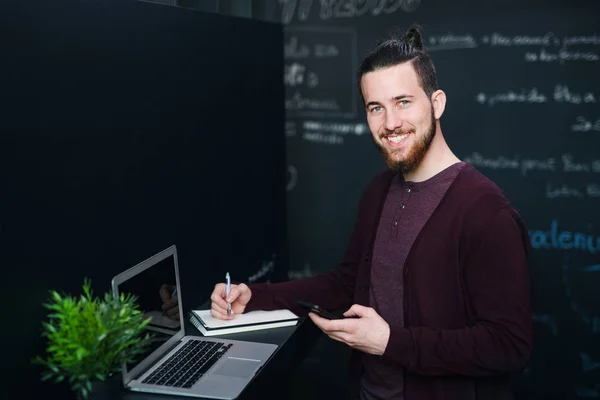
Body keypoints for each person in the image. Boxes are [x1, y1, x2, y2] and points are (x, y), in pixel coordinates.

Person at [210, 25, 532, 400]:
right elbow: (349, 284)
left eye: (403, 102)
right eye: (376, 108)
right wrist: (256, 296)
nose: (390, 123)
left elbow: (509, 346)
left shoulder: (487, 213)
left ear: (437, 102)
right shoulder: (379, 191)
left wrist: (390, 342)